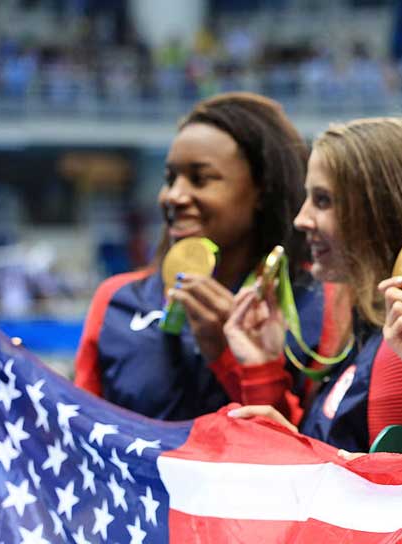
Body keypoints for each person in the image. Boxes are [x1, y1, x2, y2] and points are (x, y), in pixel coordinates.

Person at [74, 92, 338, 421]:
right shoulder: (116, 299)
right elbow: (81, 431)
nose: (175, 195)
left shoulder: (320, 303)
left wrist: (230, 357)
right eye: (170, 179)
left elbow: (315, 448)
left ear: (262, 189)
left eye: (201, 179)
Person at [225, 117, 402, 453]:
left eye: (323, 201)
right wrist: (262, 367)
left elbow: (383, 494)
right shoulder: (368, 320)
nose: (301, 219)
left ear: (379, 212)